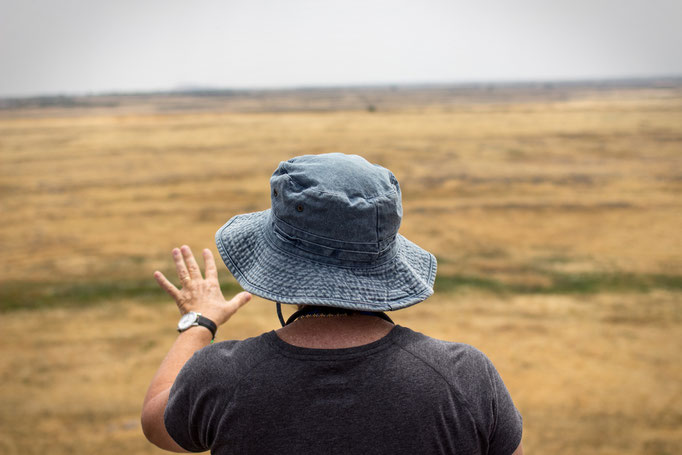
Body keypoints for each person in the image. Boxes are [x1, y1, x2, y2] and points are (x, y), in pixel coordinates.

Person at [141, 153, 523, 454]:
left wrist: (200, 321)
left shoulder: (222, 377)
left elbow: (156, 422)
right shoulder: (466, 376)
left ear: (279, 261)